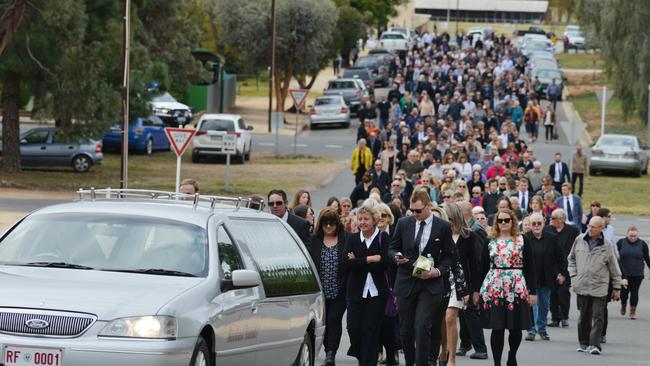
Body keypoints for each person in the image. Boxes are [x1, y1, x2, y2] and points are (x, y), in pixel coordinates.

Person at [389, 189, 455, 366]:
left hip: (430, 284)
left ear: (428, 206)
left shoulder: (443, 226)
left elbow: (449, 256)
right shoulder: (404, 223)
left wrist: (437, 271)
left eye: (418, 210)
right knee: (406, 330)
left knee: (421, 327)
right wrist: (396, 257)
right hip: (405, 282)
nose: (415, 214)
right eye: (412, 210)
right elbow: (392, 248)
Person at [479, 208, 537, 366]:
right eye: (500, 220)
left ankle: (512, 356)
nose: (503, 223)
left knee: (515, 327)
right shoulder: (489, 240)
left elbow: (530, 267)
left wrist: (533, 292)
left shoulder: (522, 239)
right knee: (497, 327)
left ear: (512, 221)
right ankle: (497, 362)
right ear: (496, 223)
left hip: (516, 286)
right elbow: (482, 267)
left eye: (506, 220)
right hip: (494, 287)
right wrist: (476, 290)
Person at [345, 199, 390, 366]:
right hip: (356, 292)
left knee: (370, 331)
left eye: (366, 219)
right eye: (360, 219)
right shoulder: (353, 239)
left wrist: (359, 261)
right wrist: (370, 259)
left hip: (377, 293)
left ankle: (367, 362)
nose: (362, 222)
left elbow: (384, 263)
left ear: (374, 220)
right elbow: (347, 264)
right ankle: (362, 357)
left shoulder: (383, 238)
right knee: (353, 329)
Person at [568, 216, 622, 355]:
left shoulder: (607, 244)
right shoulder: (579, 240)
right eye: (589, 226)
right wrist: (574, 277)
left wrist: (617, 287)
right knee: (584, 317)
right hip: (582, 285)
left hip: (600, 287)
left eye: (593, 227)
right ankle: (584, 343)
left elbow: (614, 268)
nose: (589, 229)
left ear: (601, 229)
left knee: (598, 316)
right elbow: (571, 260)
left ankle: (595, 345)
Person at [440, 203, 482, 366]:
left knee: (450, 317)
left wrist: (475, 290)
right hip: (441, 281)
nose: (448, 222)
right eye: (446, 218)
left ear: (457, 218)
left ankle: (451, 358)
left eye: (451, 219)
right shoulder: (440, 235)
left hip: (459, 284)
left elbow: (475, 265)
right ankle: (443, 350)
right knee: (442, 320)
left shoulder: (468, 237)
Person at [309, 208, 349, 366]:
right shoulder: (315, 240)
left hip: (340, 289)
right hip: (320, 291)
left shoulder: (345, 239)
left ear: (337, 223)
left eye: (332, 223)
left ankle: (330, 352)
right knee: (323, 321)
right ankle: (327, 349)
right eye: (325, 223)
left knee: (334, 319)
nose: (328, 226)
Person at [524, 213, 565, 342]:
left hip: (547, 277)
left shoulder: (552, 238)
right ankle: (531, 330)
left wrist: (561, 273)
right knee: (532, 304)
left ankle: (542, 328)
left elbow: (560, 257)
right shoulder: (524, 238)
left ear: (544, 223)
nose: (536, 226)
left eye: (539, 223)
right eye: (533, 223)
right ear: (530, 225)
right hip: (530, 278)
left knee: (544, 305)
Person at [546, 208, 580, 328]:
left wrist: (564, 273)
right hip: (552, 266)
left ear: (561, 220)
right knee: (553, 293)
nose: (551, 220)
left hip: (567, 266)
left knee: (563, 292)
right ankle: (555, 318)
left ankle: (564, 316)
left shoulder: (573, 231)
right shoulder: (548, 230)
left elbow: (576, 249)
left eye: (553, 218)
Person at [376, 203, 400, 366]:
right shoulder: (373, 236)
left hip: (393, 284)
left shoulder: (394, 236)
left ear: (389, 218)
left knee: (392, 320)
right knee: (378, 319)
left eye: (383, 216)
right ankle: (379, 351)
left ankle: (394, 352)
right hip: (377, 284)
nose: (380, 219)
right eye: (377, 216)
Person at [617, 225, 650, 320]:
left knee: (634, 292)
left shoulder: (642, 244)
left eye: (635, 236)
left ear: (638, 235)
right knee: (624, 293)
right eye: (631, 236)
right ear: (627, 234)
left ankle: (633, 311)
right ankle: (623, 305)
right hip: (624, 273)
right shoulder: (621, 242)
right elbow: (615, 257)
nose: (633, 238)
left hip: (637, 273)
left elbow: (647, 258)